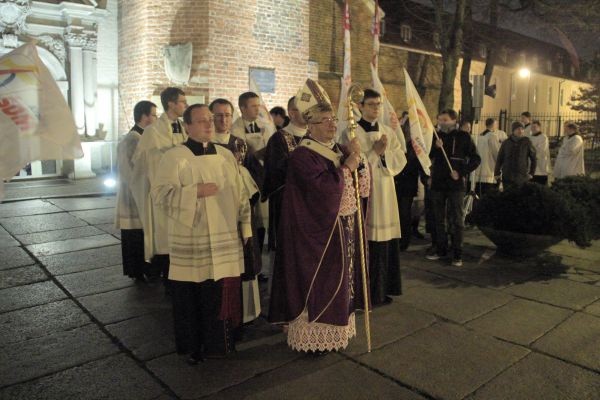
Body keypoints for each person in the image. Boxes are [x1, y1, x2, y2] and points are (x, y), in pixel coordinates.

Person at [269, 79, 370, 354]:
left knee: (340, 282)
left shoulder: (334, 148)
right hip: (316, 235)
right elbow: (322, 192)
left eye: (333, 120)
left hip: (340, 229)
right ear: (310, 125)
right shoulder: (304, 155)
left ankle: (336, 330)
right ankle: (313, 333)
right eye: (325, 121)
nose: (331, 125)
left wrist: (359, 164)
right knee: (322, 283)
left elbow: (354, 187)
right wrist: (347, 168)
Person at [152, 104, 252, 364]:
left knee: (220, 291)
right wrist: (194, 191)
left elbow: (241, 194)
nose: (209, 124)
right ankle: (195, 347)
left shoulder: (226, 155)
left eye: (210, 119)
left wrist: (246, 227)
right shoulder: (174, 156)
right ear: (187, 126)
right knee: (193, 294)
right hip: (193, 238)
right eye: (201, 121)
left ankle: (222, 343)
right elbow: (159, 195)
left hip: (225, 236)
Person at [342, 88, 406, 306]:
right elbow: (351, 165)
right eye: (371, 104)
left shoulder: (388, 130)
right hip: (367, 195)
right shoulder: (351, 133)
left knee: (386, 243)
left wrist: (384, 153)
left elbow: (400, 158)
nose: (376, 108)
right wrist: (375, 152)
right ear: (359, 106)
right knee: (367, 241)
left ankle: (383, 290)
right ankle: (365, 294)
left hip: (386, 191)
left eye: (378, 104)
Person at [209, 98, 262, 324]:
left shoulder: (240, 144)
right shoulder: (205, 145)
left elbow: (255, 174)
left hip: (242, 210)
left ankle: (247, 312)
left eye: (227, 115)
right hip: (216, 211)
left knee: (247, 256)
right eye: (218, 115)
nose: (223, 120)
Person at [131, 87, 187, 288]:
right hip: (163, 192)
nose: (185, 105)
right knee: (165, 237)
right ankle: (167, 278)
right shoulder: (152, 131)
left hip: (185, 191)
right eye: (182, 101)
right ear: (171, 104)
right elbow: (141, 162)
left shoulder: (185, 127)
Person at [426, 109, 480, 267]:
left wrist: (461, 171)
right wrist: (435, 148)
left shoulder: (463, 137)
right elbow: (428, 156)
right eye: (439, 119)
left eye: (444, 120)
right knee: (438, 218)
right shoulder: (436, 137)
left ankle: (457, 253)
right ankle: (440, 248)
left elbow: (476, 159)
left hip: (456, 185)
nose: (441, 123)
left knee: (457, 219)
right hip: (438, 183)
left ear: (453, 120)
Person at [262, 96, 307, 275]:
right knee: (286, 253)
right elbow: (274, 174)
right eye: (304, 108)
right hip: (287, 205)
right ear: (292, 112)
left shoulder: (314, 136)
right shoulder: (279, 139)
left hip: (312, 206)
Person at [114, 100, 157, 282]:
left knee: (141, 234)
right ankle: (138, 271)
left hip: (139, 194)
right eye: (154, 115)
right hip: (133, 196)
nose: (156, 118)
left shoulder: (142, 137)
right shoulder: (133, 139)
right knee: (135, 236)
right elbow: (135, 170)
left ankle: (143, 269)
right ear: (145, 117)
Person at [394, 107, 426, 251]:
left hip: (407, 183)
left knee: (404, 212)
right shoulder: (399, 143)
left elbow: (419, 164)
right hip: (397, 182)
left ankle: (404, 241)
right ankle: (399, 239)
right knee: (398, 212)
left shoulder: (414, 146)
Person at [494, 121, 536, 188]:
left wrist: (531, 173)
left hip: (521, 176)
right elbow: (500, 158)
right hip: (507, 176)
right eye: (518, 129)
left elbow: (534, 158)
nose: (520, 131)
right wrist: (496, 172)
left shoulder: (527, 142)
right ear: (513, 130)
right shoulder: (506, 142)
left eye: (522, 129)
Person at [473, 118, 501, 197]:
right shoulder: (492, 136)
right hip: (489, 171)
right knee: (488, 196)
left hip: (479, 171)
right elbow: (496, 153)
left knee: (479, 194)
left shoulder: (479, 136)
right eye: (496, 124)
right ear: (493, 125)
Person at [529, 120, 550, 185]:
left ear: (539, 127)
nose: (533, 129)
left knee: (540, 184)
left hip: (540, 164)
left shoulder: (543, 137)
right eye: (532, 127)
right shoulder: (530, 137)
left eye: (535, 127)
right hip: (531, 165)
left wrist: (532, 151)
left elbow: (541, 150)